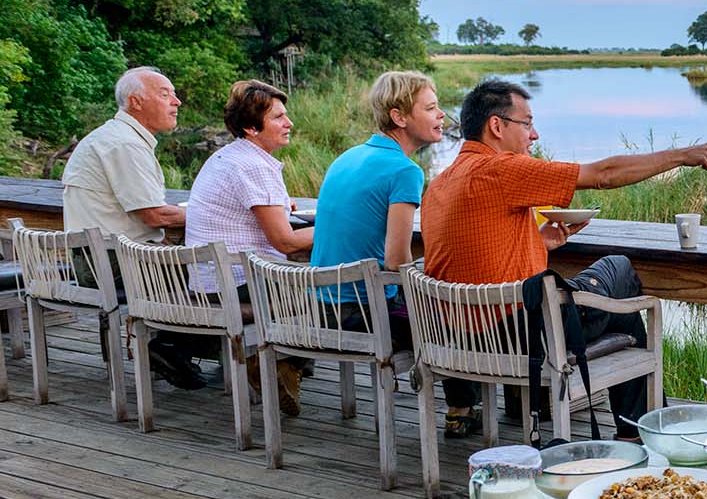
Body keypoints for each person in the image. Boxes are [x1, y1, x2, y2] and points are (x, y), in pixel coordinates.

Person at [420, 76, 707, 438]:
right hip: (525, 337)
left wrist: (538, 244)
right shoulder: (500, 169)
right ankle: (647, 428)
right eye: (527, 123)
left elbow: (473, 257)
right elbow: (602, 175)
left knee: (624, 318)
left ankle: (641, 428)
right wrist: (682, 155)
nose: (534, 135)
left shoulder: (441, 183)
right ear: (496, 126)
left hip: (463, 340)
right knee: (618, 268)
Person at [61, 67, 205, 389]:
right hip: (110, 264)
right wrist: (209, 215)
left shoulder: (116, 137)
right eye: (165, 94)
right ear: (135, 102)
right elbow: (154, 216)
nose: (177, 101)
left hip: (99, 258)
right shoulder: (124, 144)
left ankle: (173, 347)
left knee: (206, 267)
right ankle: (172, 347)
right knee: (218, 271)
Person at [185, 79, 314, 414]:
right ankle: (282, 363)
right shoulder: (253, 165)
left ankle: (286, 364)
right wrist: (338, 226)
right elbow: (285, 241)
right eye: (278, 118)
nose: (289, 123)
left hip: (209, 279)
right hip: (236, 284)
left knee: (313, 288)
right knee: (333, 296)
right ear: (250, 127)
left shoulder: (229, 157)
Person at [311, 70, 444, 343]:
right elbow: (396, 262)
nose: (441, 114)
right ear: (399, 117)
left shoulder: (348, 156)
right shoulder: (405, 170)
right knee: (455, 327)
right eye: (431, 108)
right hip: (360, 311)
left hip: (318, 304)